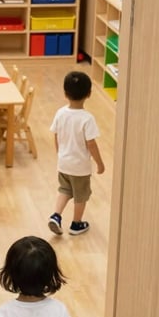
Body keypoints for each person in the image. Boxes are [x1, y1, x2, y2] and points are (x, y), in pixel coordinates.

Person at [47, 71, 105, 236]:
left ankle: (56, 215)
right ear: (89, 94)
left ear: (65, 93)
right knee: (81, 195)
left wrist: (60, 154)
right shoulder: (87, 119)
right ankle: (76, 223)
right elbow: (91, 144)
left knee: (64, 189)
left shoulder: (60, 113)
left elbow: (56, 135)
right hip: (80, 166)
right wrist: (100, 164)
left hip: (64, 163)